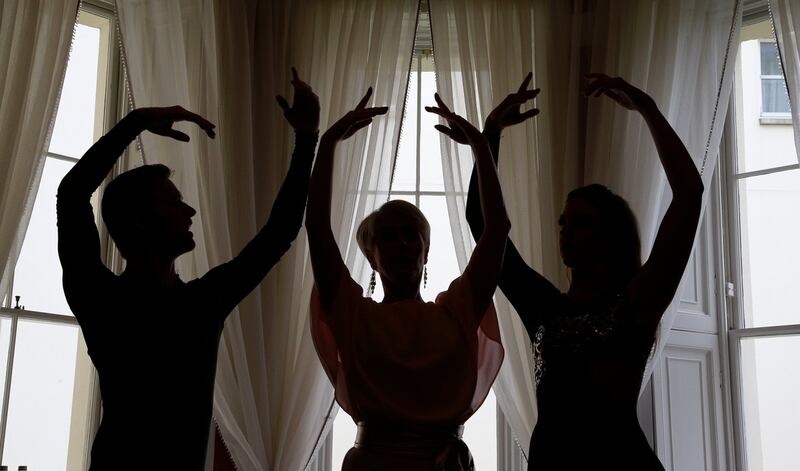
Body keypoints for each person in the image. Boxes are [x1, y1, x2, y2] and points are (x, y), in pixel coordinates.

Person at [56, 69, 319, 469]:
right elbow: (72, 195)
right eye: (173, 202)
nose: (189, 210)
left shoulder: (172, 300)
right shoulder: (112, 298)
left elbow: (279, 234)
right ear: (140, 219)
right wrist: (138, 121)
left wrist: (307, 141)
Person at [465, 73, 703, 469]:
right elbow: (482, 223)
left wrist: (648, 109)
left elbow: (689, 194)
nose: (566, 232)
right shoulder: (543, 307)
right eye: (563, 223)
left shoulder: (637, 302)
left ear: (611, 234)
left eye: (581, 223)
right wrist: (490, 135)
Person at [306, 89, 508, 470]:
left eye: (409, 234)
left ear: (426, 250)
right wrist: (327, 142)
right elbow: (316, 226)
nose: (400, 243)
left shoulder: (457, 310)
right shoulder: (354, 314)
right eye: (387, 236)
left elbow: (497, 229)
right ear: (372, 255)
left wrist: (481, 145)